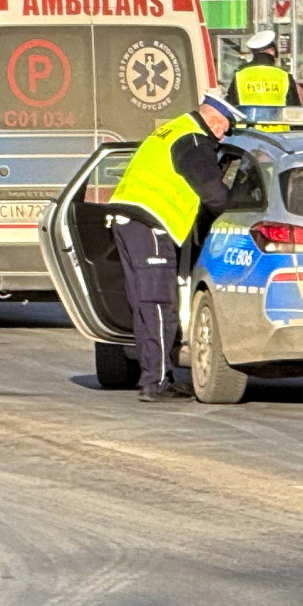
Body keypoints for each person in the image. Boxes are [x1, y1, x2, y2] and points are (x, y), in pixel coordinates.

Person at [107, 94, 240, 401]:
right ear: (216, 120)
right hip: (151, 221)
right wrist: (237, 215)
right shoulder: (194, 142)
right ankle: (156, 382)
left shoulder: (174, 129)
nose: (223, 136)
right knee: (157, 304)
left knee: (144, 305)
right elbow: (213, 193)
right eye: (226, 129)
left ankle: (154, 376)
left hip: (128, 217)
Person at [224, 30, 303, 130]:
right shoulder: (283, 75)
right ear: (272, 51)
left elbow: (230, 106)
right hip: (278, 135)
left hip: (247, 135)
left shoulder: (240, 74)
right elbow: (295, 112)